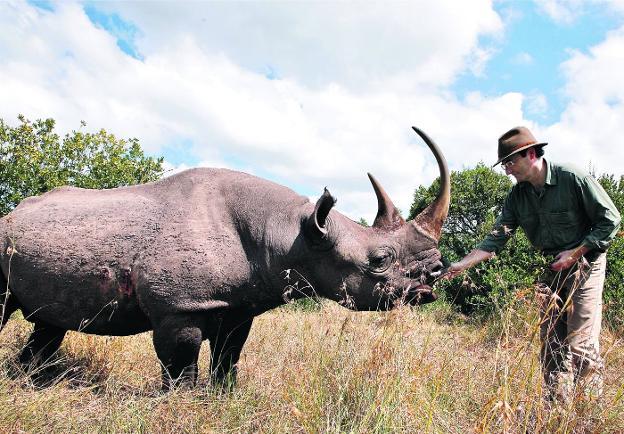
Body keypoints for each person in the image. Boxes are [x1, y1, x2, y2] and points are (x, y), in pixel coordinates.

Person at [446, 126, 621, 403]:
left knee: (580, 345)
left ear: (530, 154)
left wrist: (575, 254)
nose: (506, 170)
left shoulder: (572, 177)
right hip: (551, 269)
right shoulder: (517, 197)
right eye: (504, 164)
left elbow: (610, 220)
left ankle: (588, 416)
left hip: (586, 264)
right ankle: (557, 412)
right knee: (551, 346)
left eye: (509, 162)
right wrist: (460, 265)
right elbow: (495, 240)